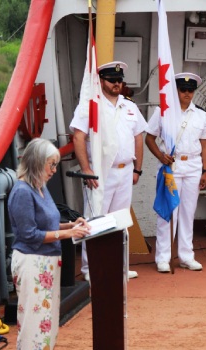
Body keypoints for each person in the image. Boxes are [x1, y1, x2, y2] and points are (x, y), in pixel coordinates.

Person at [7, 138, 91, 350]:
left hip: (46, 265)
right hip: (33, 264)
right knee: (35, 331)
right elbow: (31, 235)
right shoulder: (22, 191)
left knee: (45, 329)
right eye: (50, 165)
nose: (54, 170)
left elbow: (49, 223)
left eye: (55, 165)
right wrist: (68, 235)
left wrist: (70, 226)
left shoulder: (40, 187)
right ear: (35, 163)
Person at [71, 61, 148, 281]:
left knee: (120, 221)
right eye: (112, 80)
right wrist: (86, 169)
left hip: (126, 171)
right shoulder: (90, 105)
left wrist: (138, 170)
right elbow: (78, 137)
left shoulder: (129, 106)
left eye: (119, 80)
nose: (117, 84)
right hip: (100, 173)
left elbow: (138, 138)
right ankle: (90, 268)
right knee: (95, 219)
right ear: (101, 81)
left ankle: (120, 267)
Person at [145, 72, 206, 272]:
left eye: (190, 90)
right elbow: (149, 138)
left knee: (187, 212)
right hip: (171, 165)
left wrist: (205, 170)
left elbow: (205, 145)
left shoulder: (201, 114)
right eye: (183, 90)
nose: (187, 93)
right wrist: (160, 155)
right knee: (168, 211)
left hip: (193, 165)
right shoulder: (164, 111)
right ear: (175, 91)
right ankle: (163, 257)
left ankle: (186, 255)